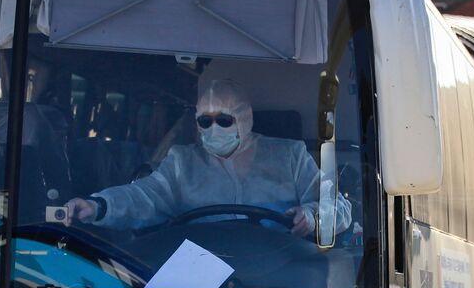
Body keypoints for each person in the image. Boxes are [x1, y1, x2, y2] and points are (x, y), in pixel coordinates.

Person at [63, 79, 350, 236]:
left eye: (224, 120)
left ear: (244, 119)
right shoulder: (182, 162)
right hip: (201, 279)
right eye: (205, 121)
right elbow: (144, 197)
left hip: (281, 273)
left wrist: (313, 216)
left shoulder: (290, 156)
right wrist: (99, 206)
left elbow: (337, 206)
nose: (214, 129)